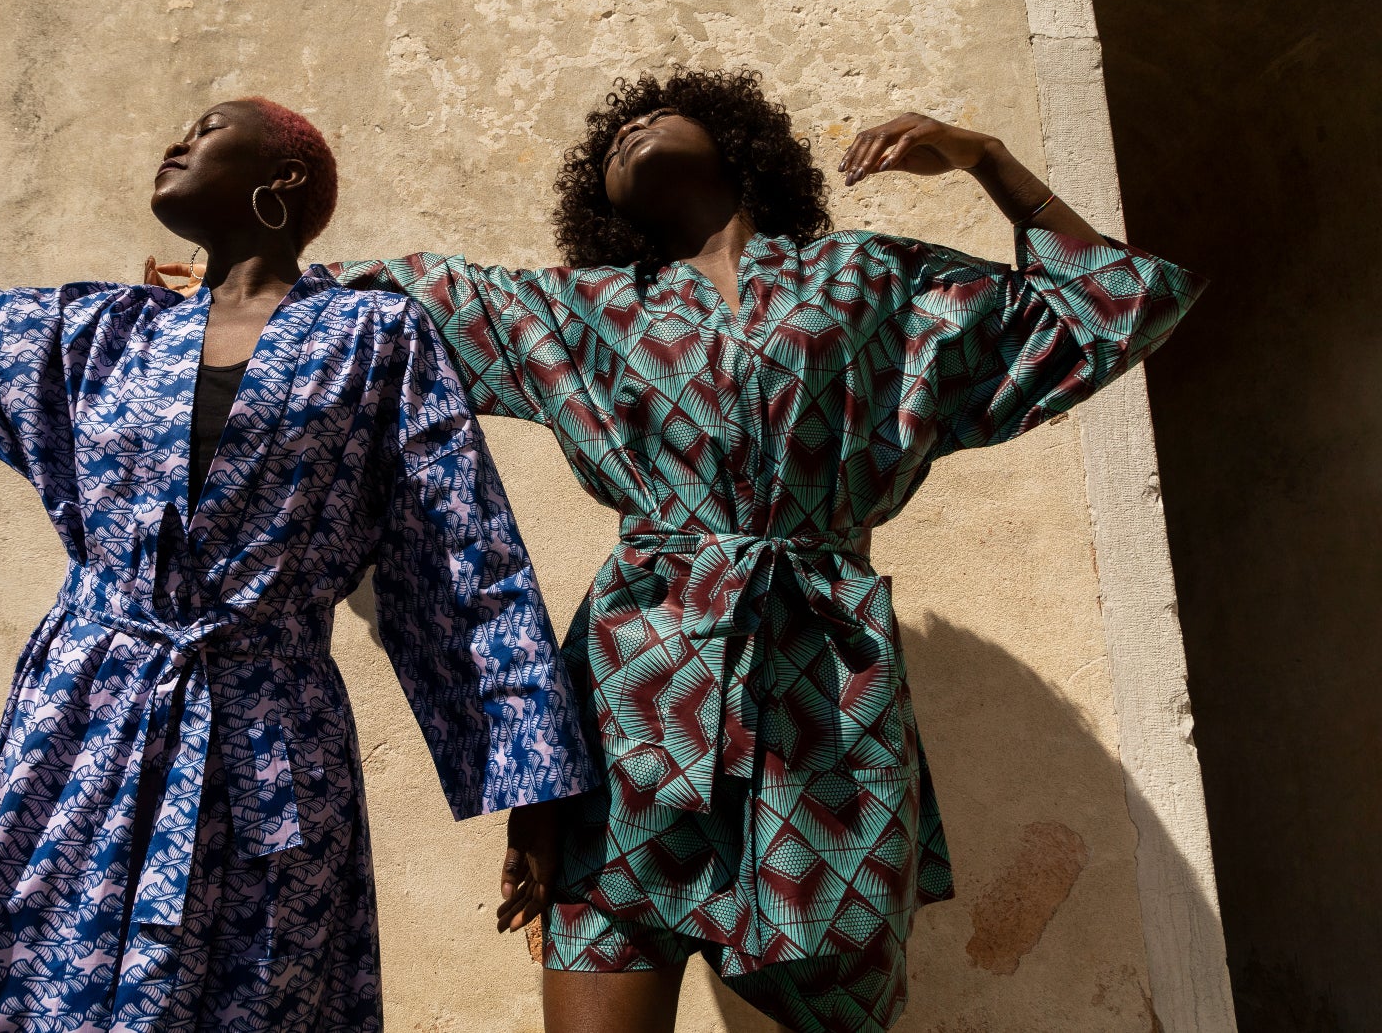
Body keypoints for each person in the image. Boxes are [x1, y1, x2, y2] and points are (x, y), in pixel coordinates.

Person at [0, 0, 596, 1033]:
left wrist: (531, 799)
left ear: (283, 179)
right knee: (15, 984)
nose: (175, 141)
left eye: (209, 130)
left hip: (269, 740)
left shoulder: (374, 340)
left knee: (247, 996)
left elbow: (463, 562)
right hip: (84, 722)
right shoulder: (99, 333)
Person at [332, 68, 1205, 1033]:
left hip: (825, 693)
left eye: (659, 113)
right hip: (636, 691)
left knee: (841, 976)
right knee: (605, 936)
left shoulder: (874, 282)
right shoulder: (585, 309)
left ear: (740, 142)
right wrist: (247, 288)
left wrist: (983, 158)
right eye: (613, 137)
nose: (632, 130)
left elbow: (1107, 302)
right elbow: (412, 300)